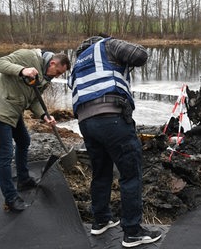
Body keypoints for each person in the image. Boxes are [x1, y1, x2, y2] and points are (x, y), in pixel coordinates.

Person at [68, 35, 162, 248]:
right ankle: (133, 232)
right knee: (130, 173)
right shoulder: (107, 45)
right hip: (111, 117)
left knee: (100, 172)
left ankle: (101, 219)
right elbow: (140, 55)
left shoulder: (78, 64)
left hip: (86, 123)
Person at [0, 49, 71, 212]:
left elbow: (34, 101)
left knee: (24, 141)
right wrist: (22, 70)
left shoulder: (45, 78)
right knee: (5, 152)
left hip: (14, 112)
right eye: (58, 72)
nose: (57, 76)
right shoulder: (28, 57)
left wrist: (44, 116)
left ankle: (23, 179)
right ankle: (10, 198)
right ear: (52, 63)